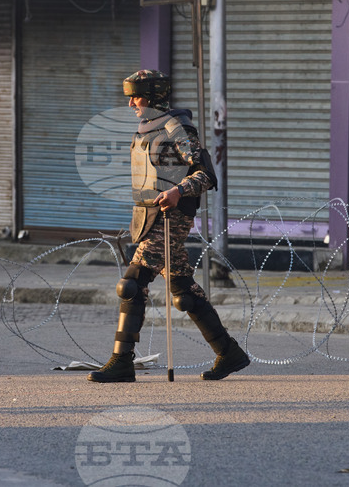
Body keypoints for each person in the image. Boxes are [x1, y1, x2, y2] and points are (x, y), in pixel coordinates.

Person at [88, 70, 250, 383]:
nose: (132, 102)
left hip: (170, 219)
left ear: (154, 95)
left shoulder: (177, 127)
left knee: (131, 284)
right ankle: (229, 352)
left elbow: (205, 175)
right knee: (183, 291)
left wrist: (177, 191)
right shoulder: (145, 127)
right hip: (148, 216)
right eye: (130, 97)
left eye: (137, 96)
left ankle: (122, 362)